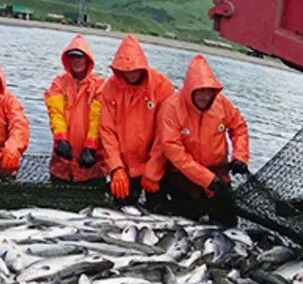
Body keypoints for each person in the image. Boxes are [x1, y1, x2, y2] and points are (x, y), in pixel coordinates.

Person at [154, 54, 249, 226]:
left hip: (219, 177)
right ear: (190, 89)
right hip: (184, 180)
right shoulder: (171, 107)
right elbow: (174, 151)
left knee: (229, 224)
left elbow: (239, 127)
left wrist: (240, 156)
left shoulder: (221, 103)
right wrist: (206, 179)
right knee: (185, 224)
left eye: (208, 91)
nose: (204, 97)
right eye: (200, 91)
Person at [99, 35, 175, 204]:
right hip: (125, 167)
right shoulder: (110, 87)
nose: (130, 72)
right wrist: (116, 168)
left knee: (159, 207)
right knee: (120, 208)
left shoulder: (163, 87)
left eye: (134, 67)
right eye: (124, 69)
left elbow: (166, 133)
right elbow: (107, 131)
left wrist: (153, 171)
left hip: (157, 166)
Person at [43, 35, 106, 183]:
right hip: (62, 164)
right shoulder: (59, 83)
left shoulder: (100, 86)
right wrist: (61, 139)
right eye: (72, 57)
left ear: (87, 59)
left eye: (80, 57)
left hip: (91, 165)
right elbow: (55, 113)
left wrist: (90, 147)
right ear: (67, 60)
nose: (76, 60)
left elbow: (98, 120)